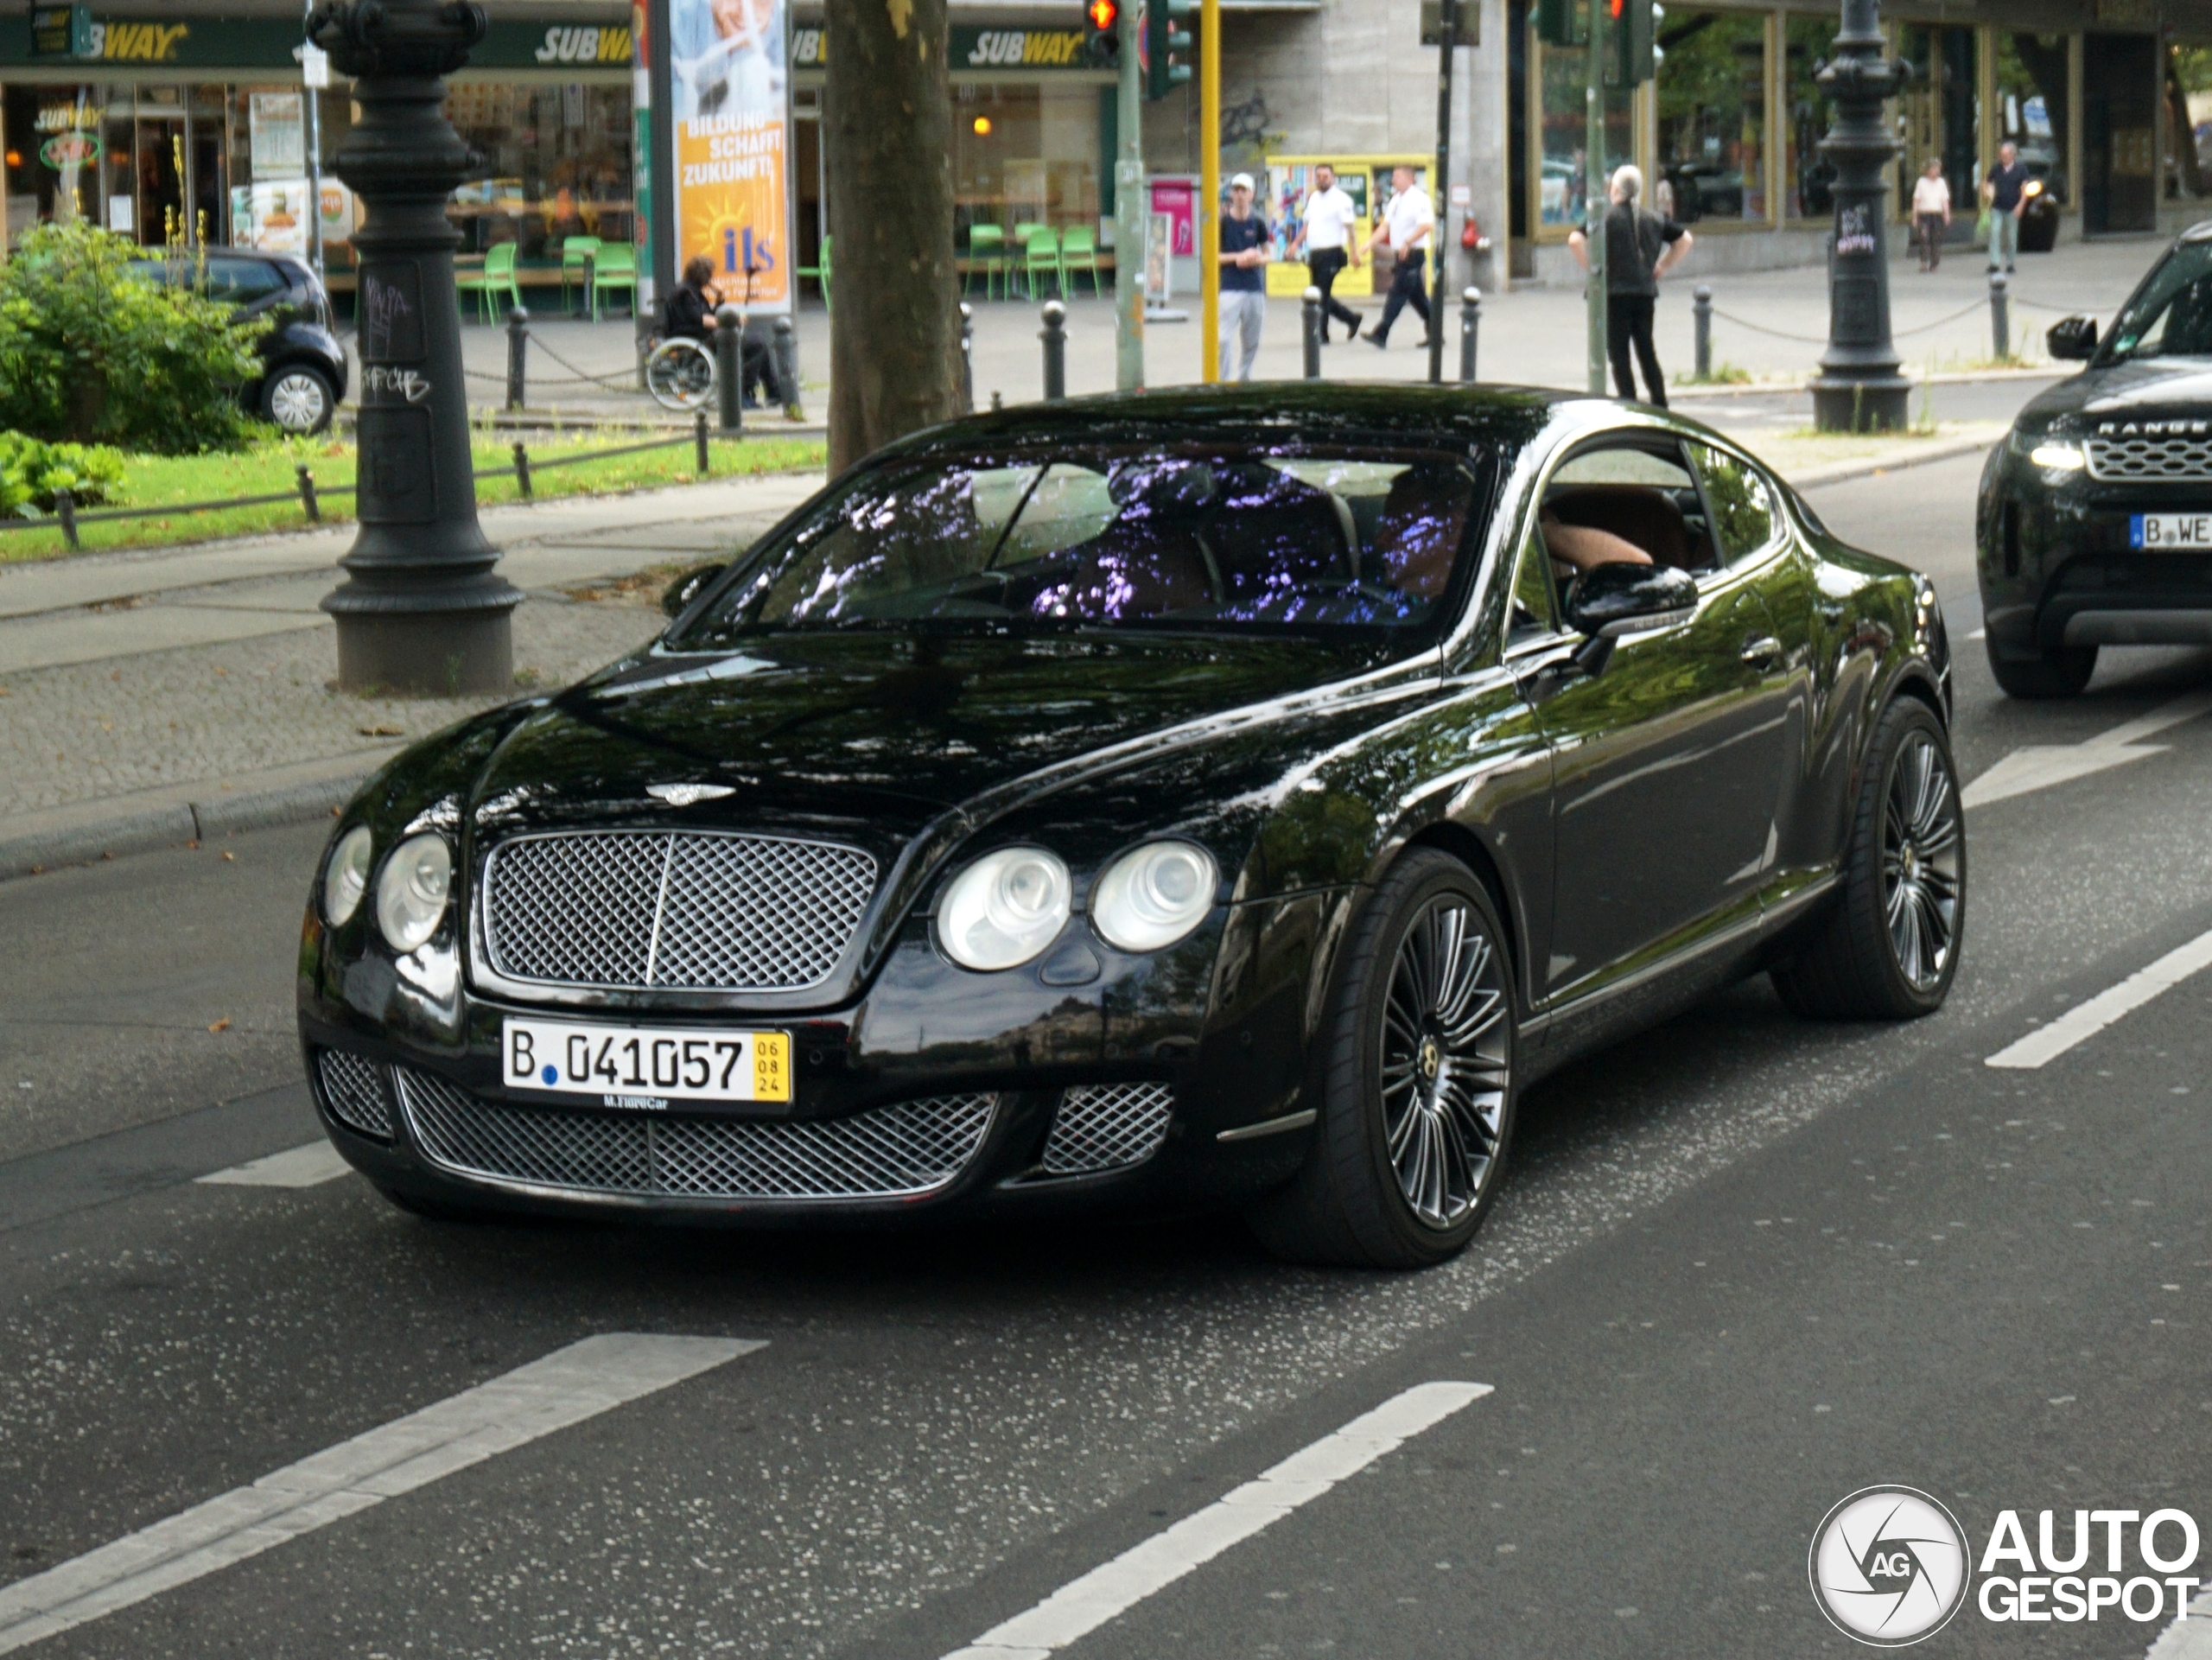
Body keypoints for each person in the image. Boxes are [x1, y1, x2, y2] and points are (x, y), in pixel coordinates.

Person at [1567, 165, 1693, 407]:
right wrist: (1661, 267)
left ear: (1614, 189)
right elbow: (1685, 240)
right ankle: (1660, 403)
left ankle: (1629, 402)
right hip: (1645, 293)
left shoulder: (1605, 217)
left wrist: (1595, 272)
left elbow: (1575, 240)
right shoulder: (1654, 218)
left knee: (1619, 355)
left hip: (1615, 294)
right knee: (1647, 350)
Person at [665, 253, 792, 413]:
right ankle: (744, 393)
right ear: (703, 275)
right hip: (699, 339)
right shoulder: (686, 293)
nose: (711, 279)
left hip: (704, 336)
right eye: (710, 275)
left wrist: (720, 297)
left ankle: (773, 391)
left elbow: (707, 315)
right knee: (757, 344)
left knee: (757, 342)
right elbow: (701, 320)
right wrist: (733, 322)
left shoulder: (691, 291)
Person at [1360, 164, 1435, 350]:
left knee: (1398, 293)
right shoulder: (1395, 200)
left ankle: (1382, 332)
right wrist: (1369, 243)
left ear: (1410, 179)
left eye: (1397, 177)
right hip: (1400, 254)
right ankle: (1435, 330)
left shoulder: (1420, 199)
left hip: (1413, 253)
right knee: (1417, 297)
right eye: (1393, 177)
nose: (1394, 180)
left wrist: (1408, 242)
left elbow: (1426, 225)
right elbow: (1385, 226)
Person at [1288, 162, 1361, 343]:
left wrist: (1354, 252)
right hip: (1316, 253)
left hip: (1332, 252)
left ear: (1333, 178)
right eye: (1319, 177)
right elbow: (1307, 225)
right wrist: (1295, 244)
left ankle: (1321, 334)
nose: (1322, 180)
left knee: (1320, 294)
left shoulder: (1341, 199)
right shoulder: (1314, 198)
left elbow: (1350, 227)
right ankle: (1351, 318)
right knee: (1320, 294)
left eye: (1325, 177)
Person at [1217, 173, 1271, 382]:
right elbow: (1215, 256)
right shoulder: (1223, 222)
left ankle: (1244, 376)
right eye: (1236, 190)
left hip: (1253, 287)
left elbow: (1268, 254)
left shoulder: (1257, 222)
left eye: (1244, 191)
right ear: (1231, 194)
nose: (1239, 195)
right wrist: (1238, 257)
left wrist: (1256, 258)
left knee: (1252, 339)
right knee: (1222, 338)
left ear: (1251, 195)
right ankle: (1223, 378)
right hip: (1230, 286)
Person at [1984, 141, 2029, 273]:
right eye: (2001, 155)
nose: (2002, 158)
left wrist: (2021, 206)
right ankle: (1994, 263)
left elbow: (2025, 190)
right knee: (1994, 233)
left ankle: (2010, 264)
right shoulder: (1996, 168)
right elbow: (1987, 183)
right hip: (1997, 206)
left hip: (2013, 207)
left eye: (2005, 155)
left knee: (2011, 237)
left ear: (2013, 155)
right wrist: (1986, 191)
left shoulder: (2021, 169)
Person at [1911, 158, 1951, 272]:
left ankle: (1934, 264)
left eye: (1937, 169)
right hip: (1924, 214)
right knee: (1924, 238)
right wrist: (1914, 215)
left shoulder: (1941, 183)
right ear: (1928, 170)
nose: (1936, 171)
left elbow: (1944, 200)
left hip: (1937, 214)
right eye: (1933, 169)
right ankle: (1924, 262)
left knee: (1936, 239)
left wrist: (1946, 214)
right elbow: (1916, 199)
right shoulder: (1921, 182)